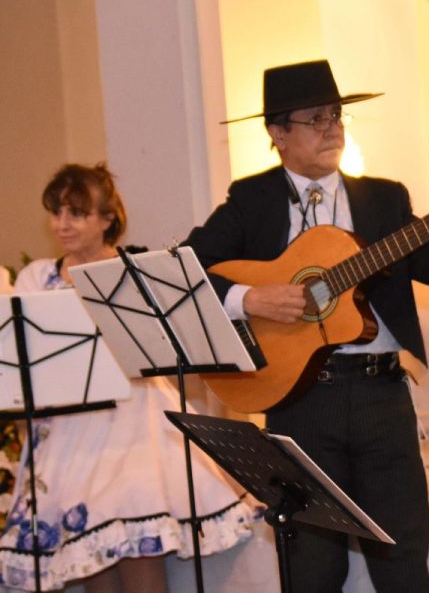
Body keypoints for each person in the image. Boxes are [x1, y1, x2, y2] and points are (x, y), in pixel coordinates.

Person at [184, 59, 429, 592]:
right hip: (300, 406)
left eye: (336, 116)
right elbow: (187, 272)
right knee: (311, 568)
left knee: (402, 560)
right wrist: (250, 298)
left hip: (381, 397)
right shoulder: (251, 199)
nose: (332, 128)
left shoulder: (384, 197)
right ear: (277, 132)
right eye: (314, 119)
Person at [0, 163, 258, 592]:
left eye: (77, 213)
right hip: (67, 437)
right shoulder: (36, 278)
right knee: (90, 555)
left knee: (139, 545)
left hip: (133, 426)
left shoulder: (133, 269)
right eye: (57, 212)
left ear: (107, 219)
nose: (62, 224)